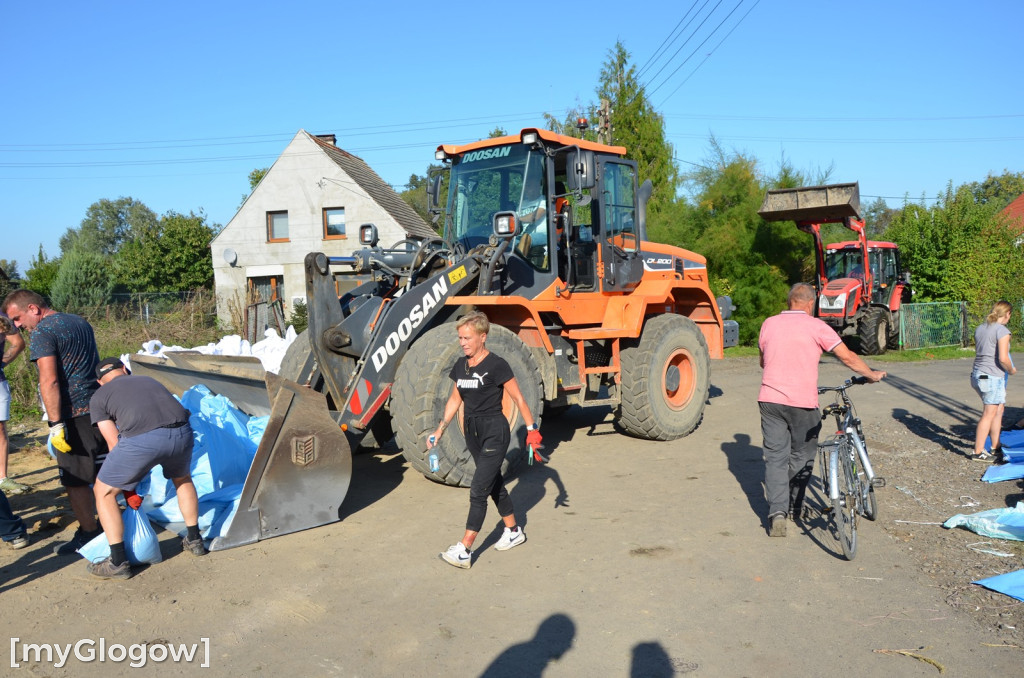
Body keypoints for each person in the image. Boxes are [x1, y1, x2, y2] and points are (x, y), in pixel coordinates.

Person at [758, 283, 886, 538]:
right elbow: (846, 356)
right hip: (802, 402)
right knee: (802, 457)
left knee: (775, 458)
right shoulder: (817, 326)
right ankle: (795, 507)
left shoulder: (769, 324)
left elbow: (764, 360)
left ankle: (777, 513)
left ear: (790, 301)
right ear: (809, 303)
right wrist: (870, 374)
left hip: (769, 400)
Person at [428, 311, 542, 569]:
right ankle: (513, 531)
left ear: (483, 337)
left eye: (468, 338)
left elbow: (519, 399)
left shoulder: (497, 365)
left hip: (494, 430)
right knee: (493, 484)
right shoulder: (461, 366)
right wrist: (440, 430)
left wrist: (532, 430)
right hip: (472, 432)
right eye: (460, 338)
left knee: (478, 489)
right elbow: (455, 400)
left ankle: (465, 548)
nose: (463, 342)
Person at [1, 289, 105, 554]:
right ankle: (111, 524)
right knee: (103, 472)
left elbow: (49, 379)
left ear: (33, 309)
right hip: (100, 407)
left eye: (17, 318)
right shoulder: (79, 321)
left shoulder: (42, 333)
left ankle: (91, 533)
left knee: (75, 479)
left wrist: (55, 423)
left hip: (73, 413)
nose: (16, 326)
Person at [86, 357, 206, 579]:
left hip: (144, 440)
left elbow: (114, 444)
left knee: (103, 492)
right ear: (124, 370)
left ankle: (118, 561)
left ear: (100, 382)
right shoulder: (148, 379)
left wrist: (127, 486)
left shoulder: (99, 396)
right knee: (182, 479)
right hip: (182, 432)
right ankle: (195, 539)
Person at [970, 300, 1016, 462]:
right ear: (1008, 314)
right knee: (989, 414)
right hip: (991, 376)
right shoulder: (1002, 331)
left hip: (977, 374)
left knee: (998, 410)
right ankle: (978, 451)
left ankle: (995, 446)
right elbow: (1003, 358)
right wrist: (1011, 370)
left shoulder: (981, 328)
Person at [0, 312, 32, 494]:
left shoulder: (1, 317)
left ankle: (2, 478)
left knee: (0, 429)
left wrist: (1, 363)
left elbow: (18, 343)